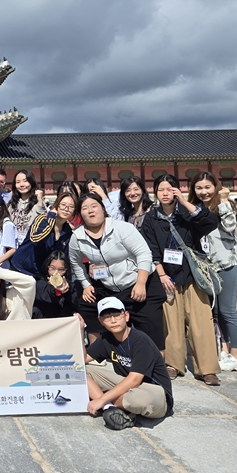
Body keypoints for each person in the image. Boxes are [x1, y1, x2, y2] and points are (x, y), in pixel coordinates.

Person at [141, 174, 221, 385]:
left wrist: (185, 202)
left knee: (201, 323)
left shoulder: (188, 212)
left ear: (177, 190)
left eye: (170, 189)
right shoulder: (151, 218)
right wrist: (161, 274)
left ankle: (207, 368)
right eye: (161, 190)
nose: (165, 193)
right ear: (155, 193)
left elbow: (211, 223)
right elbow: (151, 249)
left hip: (192, 275)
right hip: (168, 277)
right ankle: (173, 364)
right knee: (171, 324)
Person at [69, 193, 165, 351]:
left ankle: (156, 363)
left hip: (141, 282)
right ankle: (97, 354)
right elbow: (75, 262)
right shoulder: (77, 237)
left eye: (94, 206)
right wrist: (86, 285)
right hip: (110, 287)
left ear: (102, 208)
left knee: (151, 331)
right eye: (85, 208)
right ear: (80, 213)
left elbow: (144, 254)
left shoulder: (122, 228)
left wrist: (141, 283)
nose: (90, 211)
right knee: (88, 305)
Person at [84, 297, 174, 431]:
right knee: (81, 371)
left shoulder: (141, 340)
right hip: (128, 387)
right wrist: (80, 330)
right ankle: (110, 409)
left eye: (116, 315)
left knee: (136, 400)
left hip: (155, 392)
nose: (113, 320)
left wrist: (101, 399)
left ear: (126, 316)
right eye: (107, 317)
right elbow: (82, 359)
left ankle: (104, 402)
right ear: (101, 321)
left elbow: (135, 380)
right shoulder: (106, 338)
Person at [189, 172, 237, 371]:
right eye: (199, 188)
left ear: (216, 187)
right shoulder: (196, 209)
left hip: (228, 264)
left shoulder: (226, 204)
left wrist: (222, 201)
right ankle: (224, 349)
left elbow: (229, 227)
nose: (204, 192)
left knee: (229, 311)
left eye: (208, 187)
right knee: (217, 312)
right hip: (209, 268)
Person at [11, 191, 77, 279]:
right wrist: (51, 220)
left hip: (41, 275)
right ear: (57, 205)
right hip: (22, 269)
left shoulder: (68, 231)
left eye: (71, 207)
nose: (66, 209)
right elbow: (36, 240)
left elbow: (63, 257)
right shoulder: (42, 219)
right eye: (63, 205)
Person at [32, 251, 79, 319]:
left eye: (61, 269)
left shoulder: (69, 286)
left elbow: (74, 305)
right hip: (43, 321)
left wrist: (67, 292)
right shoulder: (40, 284)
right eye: (52, 268)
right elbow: (48, 293)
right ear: (47, 267)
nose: (56, 273)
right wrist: (57, 291)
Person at [6, 169, 46, 249]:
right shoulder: (11, 203)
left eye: (25, 181)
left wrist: (40, 199)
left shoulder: (38, 202)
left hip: (30, 246)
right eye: (18, 182)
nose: (21, 185)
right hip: (12, 246)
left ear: (31, 182)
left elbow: (43, 220)